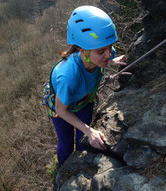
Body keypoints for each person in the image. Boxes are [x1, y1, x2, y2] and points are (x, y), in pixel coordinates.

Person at [46, 5, 127, 165]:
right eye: (101, 51)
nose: (108, 53)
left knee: (83, 139)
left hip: (84, 101)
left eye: (110, 48)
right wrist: (89, 131)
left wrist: (111, 61)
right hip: (62, 108)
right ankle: (64, 170)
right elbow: (62, 111)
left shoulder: (102, 52)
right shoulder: (68, 76)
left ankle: (80, 160)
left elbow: (104, 55)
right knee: (65, 142)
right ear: (82, 50)